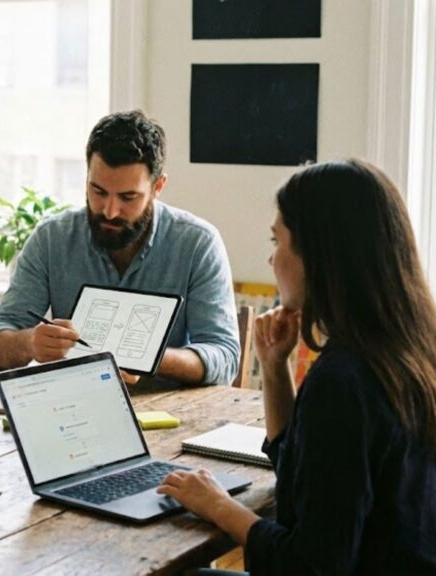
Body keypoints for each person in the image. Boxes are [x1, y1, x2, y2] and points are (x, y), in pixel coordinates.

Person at [157, 160, 436, 574]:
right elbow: (307, 484)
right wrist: (274, 369)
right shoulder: (409, 352)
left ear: (320, 255)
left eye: (278, 241)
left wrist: (220, 507)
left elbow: (310, 565)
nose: (271, 260)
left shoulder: (342, 382)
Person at [0, 110, 238, 385]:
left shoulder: (198, 243)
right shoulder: (51, 238)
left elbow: (224, 357)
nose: (110, 211)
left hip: (172, 414)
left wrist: (147, 358)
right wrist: (30, 343)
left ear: (158, 186)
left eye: (128, 197)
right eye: (98, 191)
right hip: (76, 405)